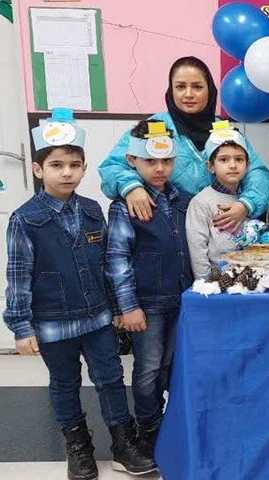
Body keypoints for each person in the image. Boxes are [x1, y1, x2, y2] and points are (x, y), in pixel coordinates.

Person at [4, 109, 155, 480]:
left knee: (110, 379)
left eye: (74, 165)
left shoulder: (91, 210)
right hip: (52, 324)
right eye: (56, 165)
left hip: (97, 318)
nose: (66, 173)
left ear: (84, 169)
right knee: (65, 384)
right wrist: (21, 327)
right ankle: (78, 447)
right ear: (38, 170)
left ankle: (123, 443)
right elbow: (18, 276)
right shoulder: (25, 219)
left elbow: (106, 264)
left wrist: (117, 307)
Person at [98, 56, 269, 230]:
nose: (188, 94)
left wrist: (246, 204)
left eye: (197, 87)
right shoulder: (154, 128)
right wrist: (131, 187)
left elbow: (257, 172)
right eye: (180, 87)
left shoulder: (225, 131)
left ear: (209, 90)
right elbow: (112, 166)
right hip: (169, 227)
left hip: (220, 226)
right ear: (171, 90)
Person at [105, 120, 194, 458]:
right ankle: (149, 429)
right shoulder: (123, 205)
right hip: (147, 304)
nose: (160, 169)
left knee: (173, 366)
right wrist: (128, 307)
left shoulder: (183, 200)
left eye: (167, 161)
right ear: (132, 160)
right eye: (151, 161)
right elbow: (117, 260)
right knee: (148, 370)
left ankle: (171, 424)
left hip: (181, 299)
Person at [186, 121, 253, 279]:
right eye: (224, 160)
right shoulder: (201, 202)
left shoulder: (247, 200)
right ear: (210, 166)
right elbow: (197, 248)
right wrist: (205, 283)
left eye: (239, 159)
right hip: (217, 281)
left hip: (248, 277)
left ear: (247, 165)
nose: (233, 165)